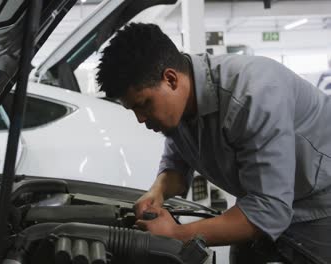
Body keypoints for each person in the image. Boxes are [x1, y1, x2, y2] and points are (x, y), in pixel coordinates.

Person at [96, 23, 331, 264]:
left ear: (171, 79)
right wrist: (158, 192)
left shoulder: (253, 94)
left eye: (143, 104)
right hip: (259, 201)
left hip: (319, 207)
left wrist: (177, 234)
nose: (140, 118)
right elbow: (177, 163)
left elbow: (271, 210)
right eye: (132, 109)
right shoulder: (181, 105)